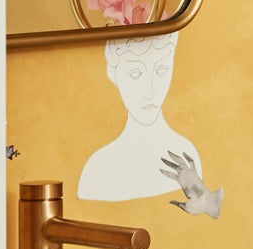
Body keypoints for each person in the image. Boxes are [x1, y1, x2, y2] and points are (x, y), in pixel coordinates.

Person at [76, 32, 204, 202]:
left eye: (161, 70)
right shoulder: (98, 169)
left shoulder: (186, 157)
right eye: (135, 74)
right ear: (113, 72)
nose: (149, 92)